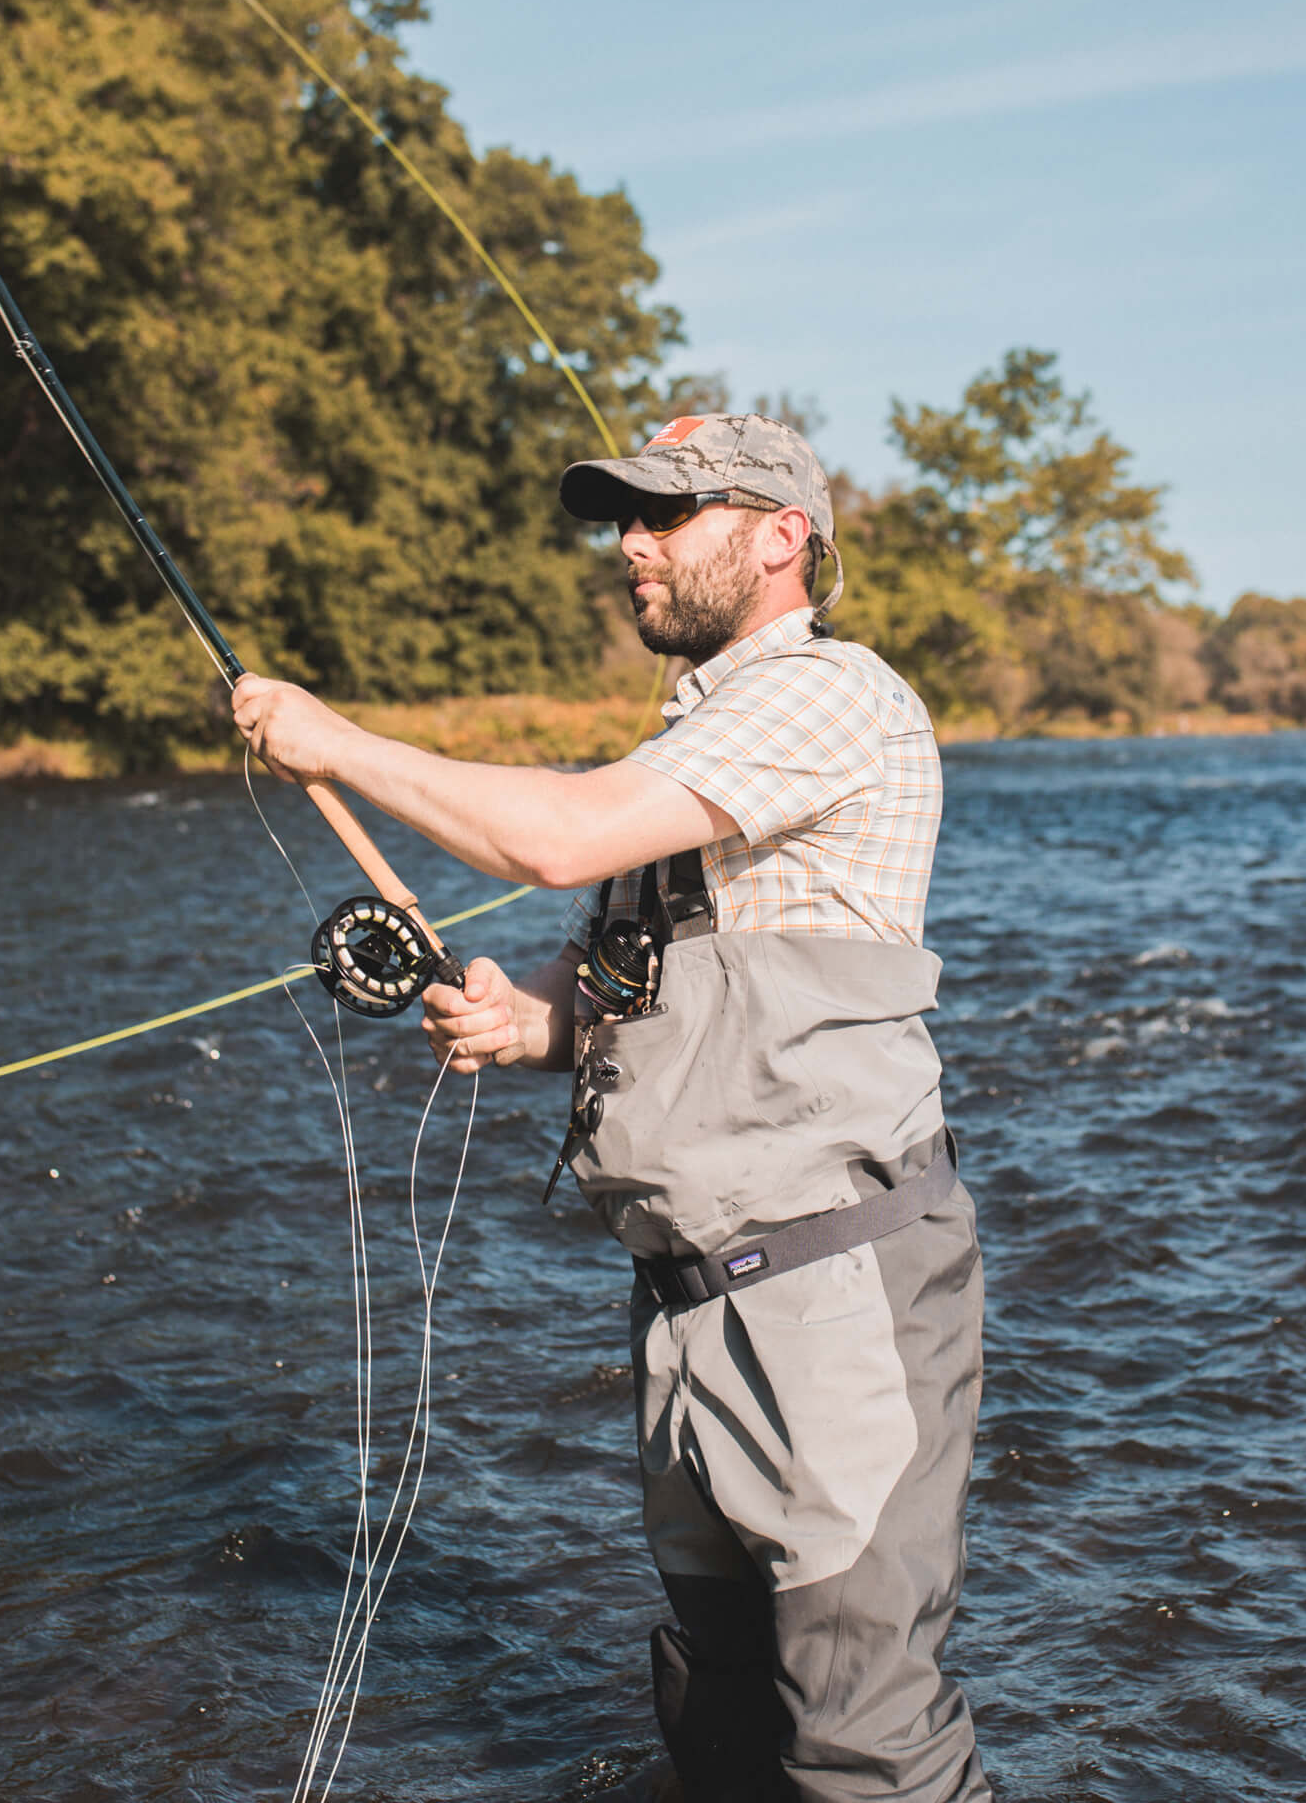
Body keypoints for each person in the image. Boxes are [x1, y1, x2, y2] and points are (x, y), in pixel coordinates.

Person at [231, 413, 989, 1803]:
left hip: (833, 1296)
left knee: (867, 1736)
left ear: (782, 539)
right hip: (690, 1305)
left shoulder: (833, 694)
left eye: (667, 516)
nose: (630, 545)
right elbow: (643, 989)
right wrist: (531, 1025)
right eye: (621, 518)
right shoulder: (702, 742)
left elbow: (557, 835)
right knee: (717, 1717)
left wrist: (336, 743)